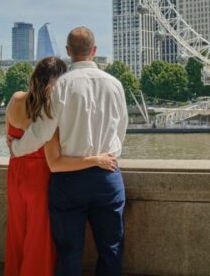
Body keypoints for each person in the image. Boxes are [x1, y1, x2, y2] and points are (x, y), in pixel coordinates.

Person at [11, 27, 129, 276]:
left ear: (68, 52)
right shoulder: (116, 85)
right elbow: (121, 129)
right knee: (111, 249)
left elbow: (41, 133)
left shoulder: (60, 86)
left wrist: (17, 147)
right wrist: (107, 154)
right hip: (106, 175)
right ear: (94, 51)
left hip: (68, 181)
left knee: (69, 253)